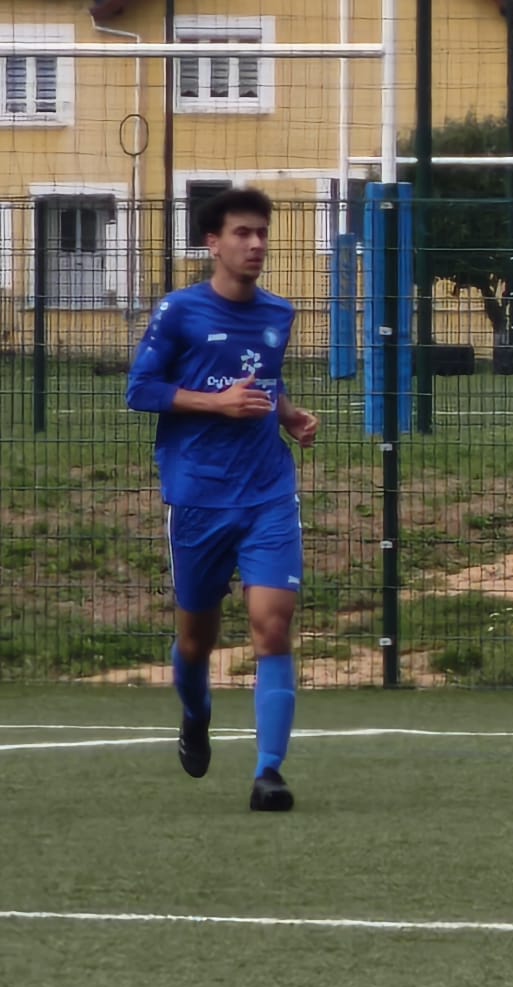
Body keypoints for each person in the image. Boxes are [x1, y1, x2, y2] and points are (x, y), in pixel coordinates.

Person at [125, 186, 316, 812]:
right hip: (198, 496)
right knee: (195, 643)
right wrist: (216, 403)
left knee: (273, 625)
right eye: (242, 233)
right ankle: (196, 712)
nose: (256, 244)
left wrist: (287, 413)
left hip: (267, 491)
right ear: (212, 242)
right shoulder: (179, 311)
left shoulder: (279, 312)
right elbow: (140, 390)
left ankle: (269, 774)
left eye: (262, 233)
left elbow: (265, 378)